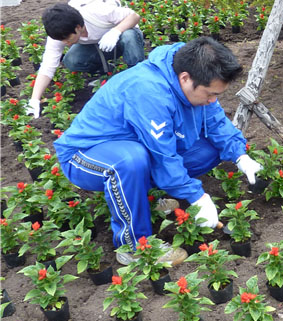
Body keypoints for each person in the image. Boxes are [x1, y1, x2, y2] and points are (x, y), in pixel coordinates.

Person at [53, 37, 263, 265]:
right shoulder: (149, 91)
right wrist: (197, 196)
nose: (212, 100)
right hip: (86, 156)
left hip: (139, 145)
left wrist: (240, 156)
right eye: (209, 94)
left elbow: (215, 122)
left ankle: (144, 197)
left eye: (217, 95)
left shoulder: (194, 73)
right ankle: (136, 246)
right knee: (130, 161)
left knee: (209, 150)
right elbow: (163, 155)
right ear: (185, 78)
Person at [26, 0, 146, 119]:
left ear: (78, 27)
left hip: (123, 38)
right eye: (62, 40)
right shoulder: (60, 32)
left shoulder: (98, 12)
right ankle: (106, 72)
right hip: (99, 45)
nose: (65, 43)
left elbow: (134, 16)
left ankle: (138, 78)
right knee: (72, 59)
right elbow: (47, 66)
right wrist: (34, 99)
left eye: (67, 39)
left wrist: (116, 31)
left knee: (129, 36)